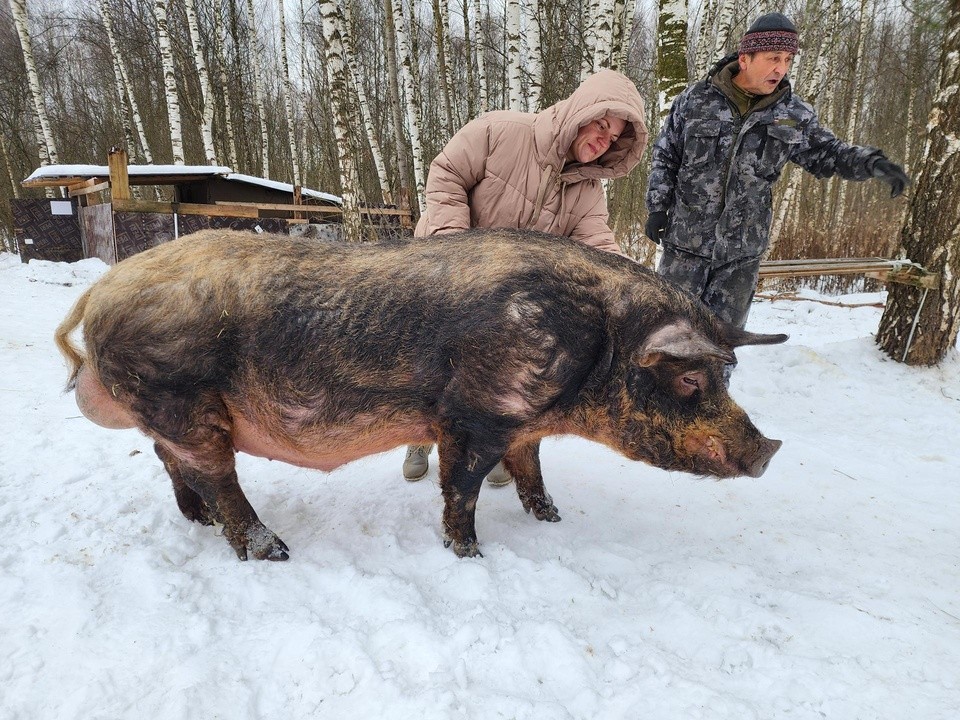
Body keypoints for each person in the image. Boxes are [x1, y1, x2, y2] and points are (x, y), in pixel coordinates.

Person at [403, 69, 649, 484]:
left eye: (613, 139)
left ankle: (496, 446)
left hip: (506, 295)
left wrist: (633, 291)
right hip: (442, 269)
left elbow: (598, 245)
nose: (602, 140)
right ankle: (420, 438)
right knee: (431, 364)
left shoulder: (588, 190)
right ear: (579, 111)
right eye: (601, 126)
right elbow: (446, 174)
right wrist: (453, 250)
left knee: (499, 369)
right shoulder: (501, 132)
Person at [644, 12, 910, 332]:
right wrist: (658, 208)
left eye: (787, 59)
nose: (781, 68)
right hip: (684, 248)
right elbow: (665, 155)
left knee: (723, 344)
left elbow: (828, 153)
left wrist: (870, 163)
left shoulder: (792, 114)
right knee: (666, 337)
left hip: (740, 257)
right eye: (773, 58)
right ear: (745, 58)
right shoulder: (695, 101)